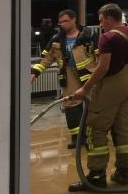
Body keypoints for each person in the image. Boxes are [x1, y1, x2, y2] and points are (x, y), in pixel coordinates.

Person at [69, 3, 128, 191]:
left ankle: (96, 176)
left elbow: (103, 68)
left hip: (111, 86)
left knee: (97, 128)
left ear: (109, 18)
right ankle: (123, 172)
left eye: (101, 21)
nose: (101, 25)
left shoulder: (107, 38)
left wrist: (85, 89)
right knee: (123, 128)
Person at [30, 9, 98, 149]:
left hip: (89, 75)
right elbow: (46, 59)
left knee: (94, 106)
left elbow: (100, 55)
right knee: (71, 105)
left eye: (65, 21)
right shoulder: (56, 39)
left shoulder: (88, 35)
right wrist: (35, 73)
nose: (62, 24)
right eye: (60, 22)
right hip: (68, 75)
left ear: (74, 20)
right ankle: (77, 138)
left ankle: (94, 136)